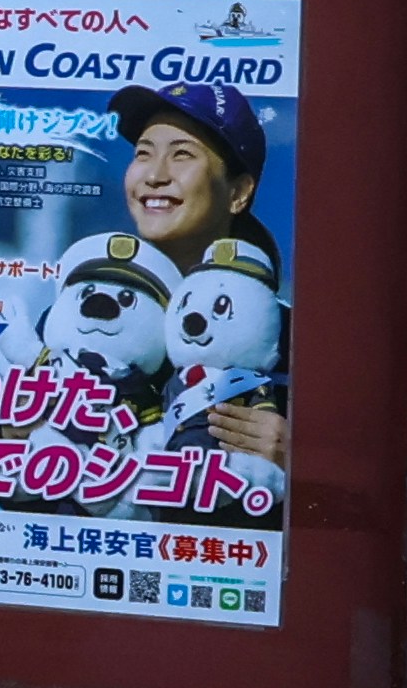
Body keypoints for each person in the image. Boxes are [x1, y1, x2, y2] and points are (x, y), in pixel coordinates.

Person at [109, 69, 287, 466]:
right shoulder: (82, 312)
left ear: (239, 193)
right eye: (143, 153)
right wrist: (14, 433)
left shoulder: (283, 333)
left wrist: (300, 454)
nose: (154, 176)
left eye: (182, 154)